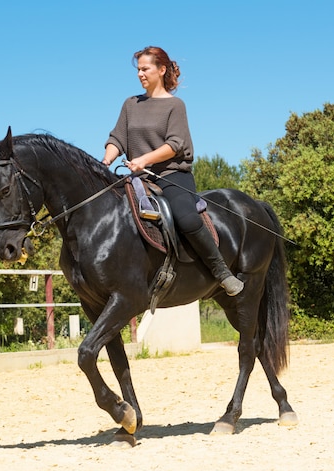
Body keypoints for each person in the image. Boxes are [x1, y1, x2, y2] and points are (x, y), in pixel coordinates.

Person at [102, 46, 243, 296]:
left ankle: (221, 271)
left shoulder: (175, 105)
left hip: (171, 176)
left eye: (145, 69)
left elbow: (175, 144)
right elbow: (117, 139)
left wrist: (144, 159)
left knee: (186, 217)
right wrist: (104, 162)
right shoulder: (130, 104)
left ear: (161, 70)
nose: (140, 74)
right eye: (138, 70)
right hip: (136, 178)